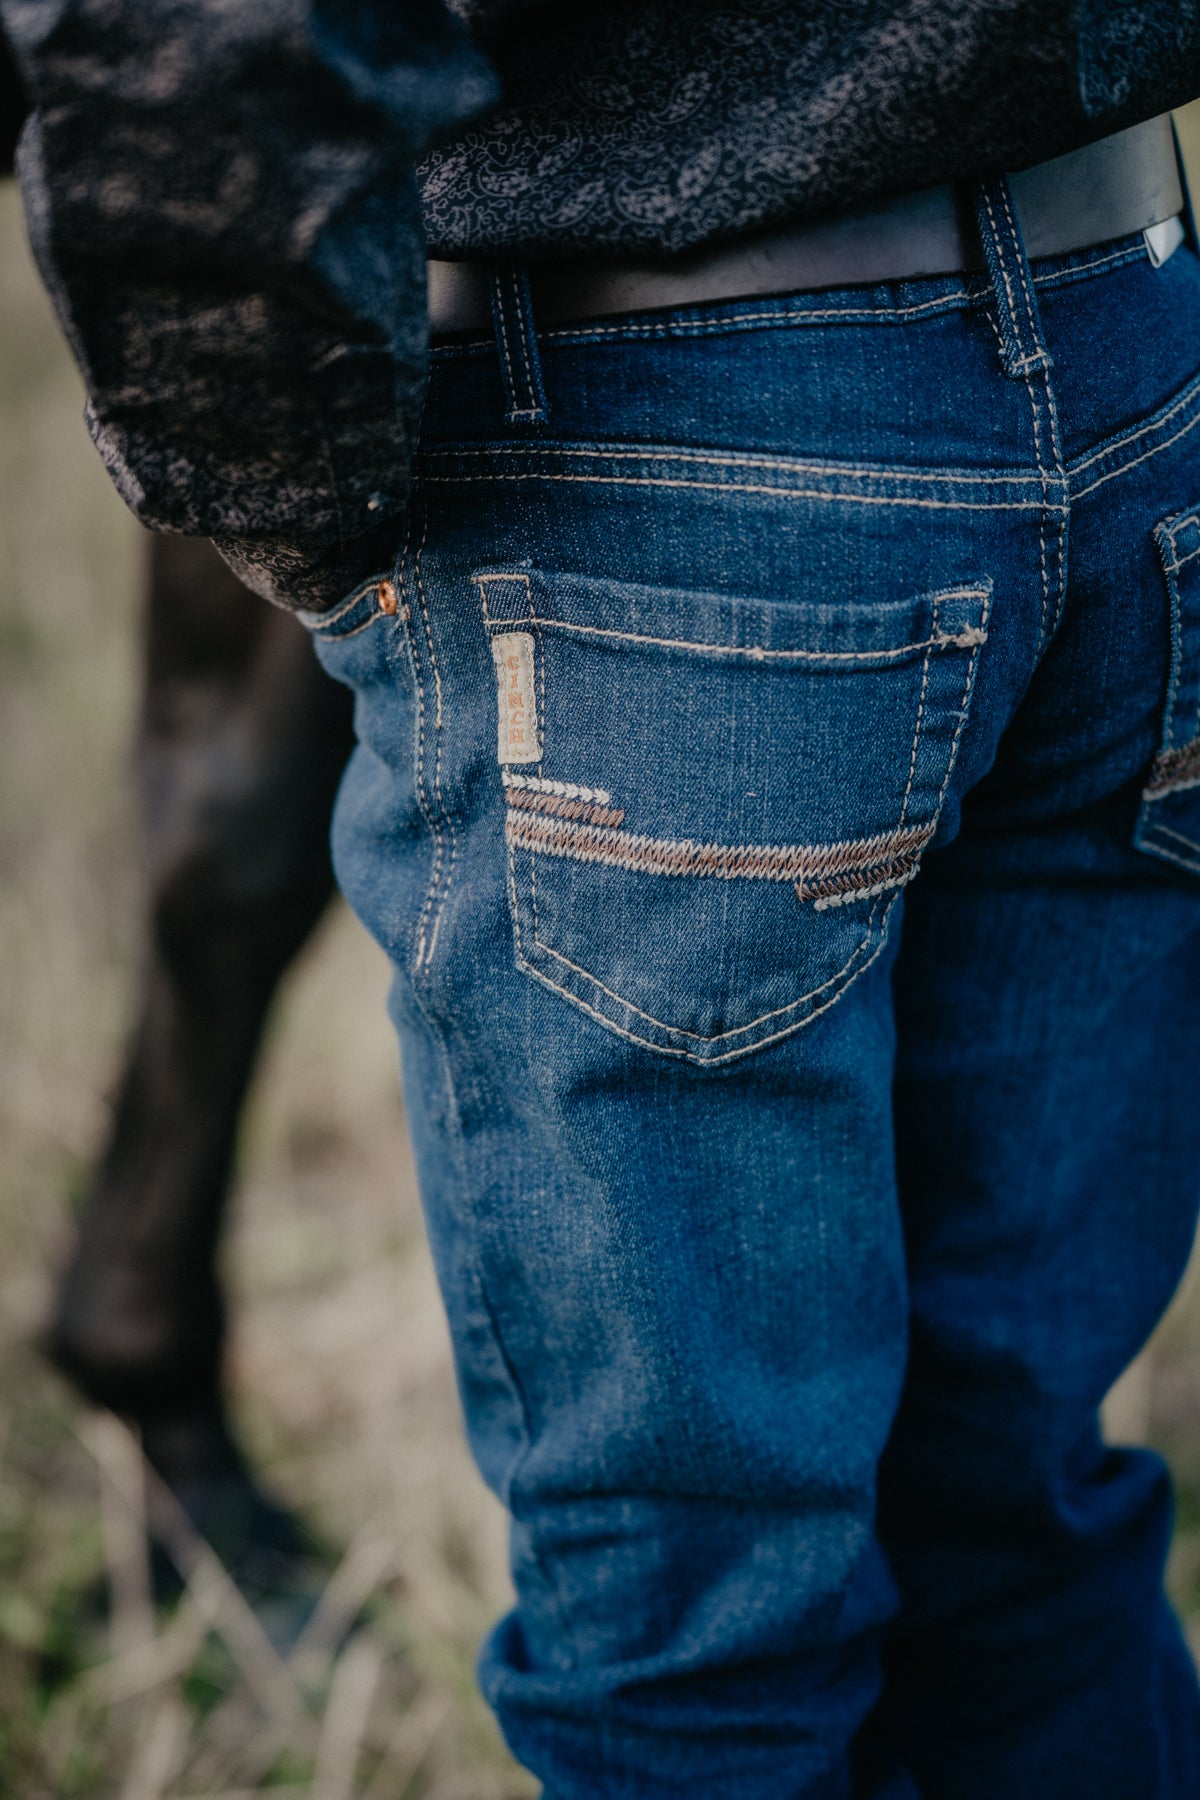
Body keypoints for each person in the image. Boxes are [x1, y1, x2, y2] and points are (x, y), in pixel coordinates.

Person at [5, 4, 1200, 1794]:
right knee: (1023, 1514)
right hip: (1130, 344)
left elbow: (198, 29)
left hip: (654, 427)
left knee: (696, 1642)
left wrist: (300, 510)